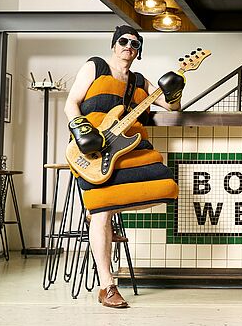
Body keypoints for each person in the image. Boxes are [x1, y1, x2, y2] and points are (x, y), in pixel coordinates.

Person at [64, 25, 184, 309]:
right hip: (92, 150)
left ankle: (104, 215)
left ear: (138, 51)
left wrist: (175, 91)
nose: (129, 46)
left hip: (127, 151)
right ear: (114, 45)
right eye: (123, 41)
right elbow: (71, 103)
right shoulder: (95, 67)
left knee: (165, 184)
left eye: (135, 43)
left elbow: (173, 108)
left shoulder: (140, 82)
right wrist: (81, 130)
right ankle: (107, 286)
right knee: (102, 211)